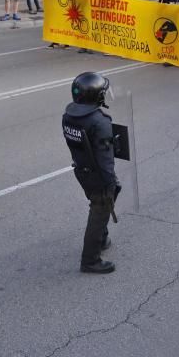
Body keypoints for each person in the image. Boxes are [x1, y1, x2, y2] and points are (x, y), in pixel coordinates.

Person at [62, 72, 119, 274]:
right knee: (101, 208)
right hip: (98, 174)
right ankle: (90, 260)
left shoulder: (69, 116)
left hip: (82, 170)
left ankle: (101, 238)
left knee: (97, 204)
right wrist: (110, 184)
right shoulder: (99, 121)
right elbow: (105, 159)